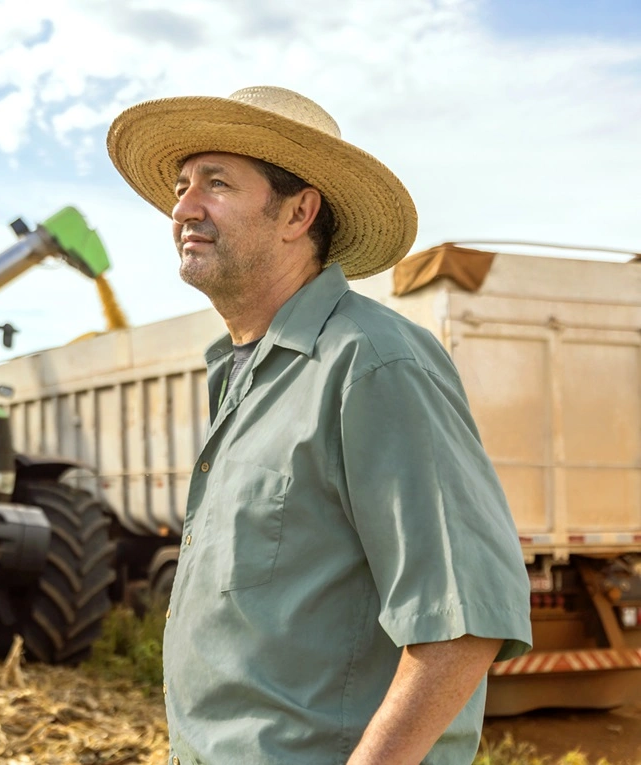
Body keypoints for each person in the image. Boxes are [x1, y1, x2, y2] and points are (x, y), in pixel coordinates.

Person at [106, 86, 533, 764]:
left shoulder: (372, 362)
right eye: (183, 185)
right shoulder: (243, 373)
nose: (183, 207)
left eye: (216, 184)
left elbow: (465, 619)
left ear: (299, 212)